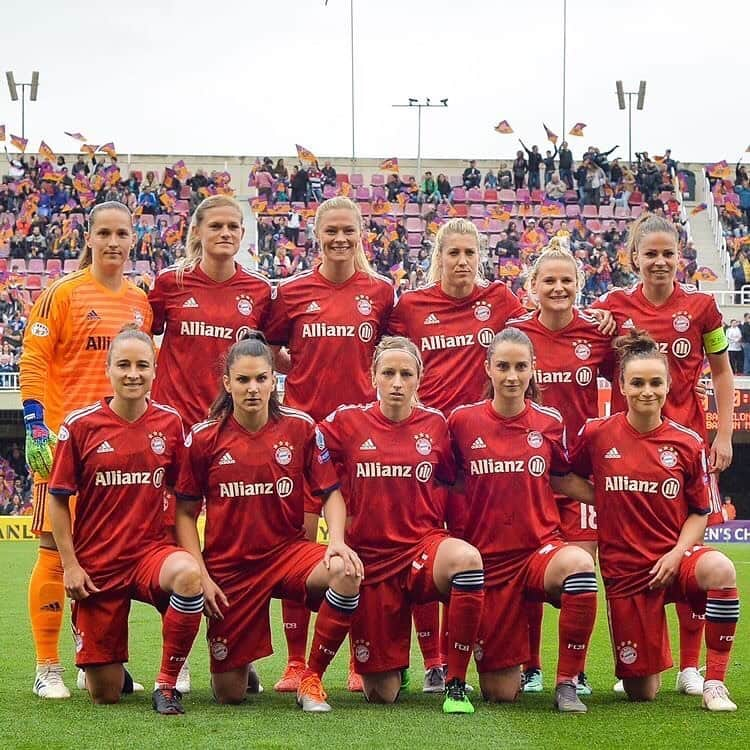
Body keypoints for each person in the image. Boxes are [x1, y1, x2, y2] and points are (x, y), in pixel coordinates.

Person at [174, 334, 362, 712]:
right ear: (227, 383)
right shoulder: (204, 437)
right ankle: (240, 663)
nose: (253, 388)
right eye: (243, 380)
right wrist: (203, 573)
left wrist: (337, 540)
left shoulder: (301, 428)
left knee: (345, 571)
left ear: (274, 379)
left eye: (261, 378)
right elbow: (184, 514)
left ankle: (312, 677)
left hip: (286, 554)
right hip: (230, 569)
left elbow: (331, 492)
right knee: (230, 694)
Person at [592, 212, 735, 696]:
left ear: (681, 257)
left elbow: (721, 371)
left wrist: (723, 435)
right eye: (649, 253)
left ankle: (690, 667)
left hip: (687, 449)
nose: (658, 261)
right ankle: (639, 657)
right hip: (631, 452)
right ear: (634, 257)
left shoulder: (702, 309)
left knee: (690, 555)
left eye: (667, 253)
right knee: (640, 558)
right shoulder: (613, 306)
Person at [20, 201, 153, 699]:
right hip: (65, 446)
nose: (114, 242)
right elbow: (33, 359)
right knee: (55, 553)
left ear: (133, 239)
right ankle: (47, 665)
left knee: (106, 556)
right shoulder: (62, 293)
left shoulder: (140, 301)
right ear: (90, 237)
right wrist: (35, 426)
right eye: (105, 233)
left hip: (117, 453)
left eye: (123, 233)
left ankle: (92, 659)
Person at [568, 330, 739, 711]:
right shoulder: (596, 433)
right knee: (642, 692)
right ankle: (648, 664)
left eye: (656, 382)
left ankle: (714, 682)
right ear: (623, 387)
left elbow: (700, 511)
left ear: (668, 386)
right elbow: (563, 476)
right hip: (627, 570)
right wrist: (607, 497)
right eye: (638, 382)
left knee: (721, 570)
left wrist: (678, 553)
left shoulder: (688, 441)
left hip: (675, 559)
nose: (648, 390)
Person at [264, 196, 394, 693]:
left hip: (361, 442)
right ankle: (296, 661)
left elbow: (393, 350)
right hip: (301, 437)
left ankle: (358, 660)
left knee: (360, 547)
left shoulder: (380, 292)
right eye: (331, 230)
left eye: (348, 230)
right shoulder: (293, 291)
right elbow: (270, 345)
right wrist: (297, 367)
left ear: (361, 234)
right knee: (298, 545)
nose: (340, 239)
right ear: (316, 234)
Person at [318, 336, 484, 714]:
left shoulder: (437, 425)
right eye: (388, 373)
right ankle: (392, 663)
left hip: (421, 549)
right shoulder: (347, 422)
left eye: (405, 374)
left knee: (468, 560)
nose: (397, 382)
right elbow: (310, 450)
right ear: (373, 376)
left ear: (418, 380)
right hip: (371, 561)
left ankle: (454, 682)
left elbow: (453, 480)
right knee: (382, 694)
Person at [47, 327, 203, 715]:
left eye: (142, 365)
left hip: (151, 555)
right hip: (99, 564)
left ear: (155, 370)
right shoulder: (81, 426)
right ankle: (109, 666)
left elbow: (185, 497)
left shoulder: (170, 423)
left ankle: (167, 683)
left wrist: (190, 553)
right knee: (106, 694)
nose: (133, 373)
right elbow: (58, 498)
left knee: (187, 574)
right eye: (124, 365)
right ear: (108, 369)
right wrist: (69, 565)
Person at [449, 328, 598, 712]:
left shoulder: (549, 421)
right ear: (488, 369)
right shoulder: (462, 422)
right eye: (503, 366)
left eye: (520, 366)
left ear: (534, 369)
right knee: (499, 694)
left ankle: (567, 682)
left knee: (580, 565)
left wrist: (619, 500)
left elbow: (562, 477)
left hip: (538, 551)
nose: (511, 376)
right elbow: (449, 481)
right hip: (488, 564)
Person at [507, 239, 614, 695]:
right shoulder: (514, 333)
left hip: (577, 473)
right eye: (548, 280)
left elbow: (631, 376)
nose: (557, 287)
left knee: (581, 571)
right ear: (531, 287)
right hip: (528, 471)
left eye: (566, 280)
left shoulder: (597, 334)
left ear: (579, 285)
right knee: (526, 567)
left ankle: (577, 668)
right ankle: (531, 666)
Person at [149, 195, 272, 428]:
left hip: (230, 423)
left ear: (242, 234)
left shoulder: (260, 290)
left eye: (233, 227)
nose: (225, 233)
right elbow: (145, 339)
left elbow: (270, 353)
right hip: (173, 422)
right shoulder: (170, 282)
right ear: (196, 231)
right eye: (215, 226)